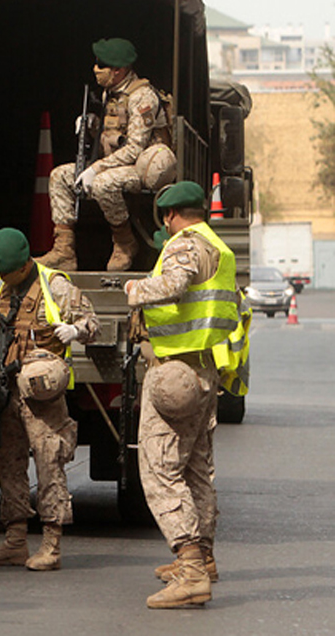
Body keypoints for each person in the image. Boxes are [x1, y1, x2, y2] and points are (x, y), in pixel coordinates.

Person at [124, 181, 237, 609]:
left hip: (174, 370)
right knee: (194, 467)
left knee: (158, 469)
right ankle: (204, 559)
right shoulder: (219, 247)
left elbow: (173, 284)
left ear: (170, 216)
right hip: (204, 368)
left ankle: (189, 569)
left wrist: (135, 291)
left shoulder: (183, 245)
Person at [0, 228, 99, 572]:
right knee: (8, 462)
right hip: (5, 388)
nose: (3, 278)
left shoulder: (55, 286)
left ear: (24, 265)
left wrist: (77, 330)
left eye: (8, 272)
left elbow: (92, 323)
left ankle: (51, 543)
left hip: (40, 392)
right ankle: (14, 540)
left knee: (48, 460)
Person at [39, 37, 176, 272]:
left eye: (101, 65)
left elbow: (134, 148)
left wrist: (96, 168)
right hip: (113, 163)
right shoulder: (109, 93)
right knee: (59, 176)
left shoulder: (142, 97)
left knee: (103, 183)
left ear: (118, 70)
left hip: (141, 167)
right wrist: (92, 125)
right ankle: (64, 250)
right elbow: (112, 134)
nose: (96, 70)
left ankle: (124, 243)